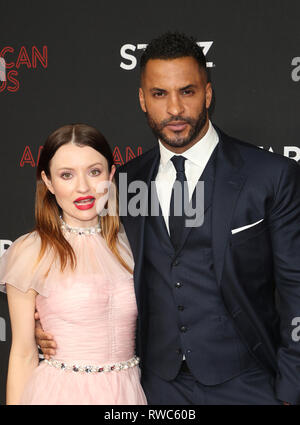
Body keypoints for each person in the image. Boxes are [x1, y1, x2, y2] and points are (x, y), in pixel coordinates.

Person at [37, 32, 300, 405]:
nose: (174, 108)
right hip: (154, 387)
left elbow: (296, 288)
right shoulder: (123, 183)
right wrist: (43, 318)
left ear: (208, 94)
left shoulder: (269, 176)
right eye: (159, 94)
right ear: (143, 100)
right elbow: (81, 260)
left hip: (248, 383)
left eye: (187, 92)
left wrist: (291, 389)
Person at [0, 123, 147, 405]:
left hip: (128, 394)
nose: (83, 187)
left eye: (94, 171)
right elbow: (23, 353)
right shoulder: (30, 251)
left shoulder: (134, 245)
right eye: (66, 175)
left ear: (111, 174)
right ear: (49, 182)